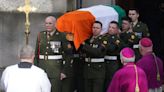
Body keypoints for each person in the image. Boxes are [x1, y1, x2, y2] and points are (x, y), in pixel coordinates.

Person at [34, 16, 71, 92]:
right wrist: (36, 69)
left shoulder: (62, 36)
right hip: (42, 68)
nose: (47, 25)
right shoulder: (40, 35)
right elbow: (36, 54)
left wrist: (64, 71)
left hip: (56, 70)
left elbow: (69, 54)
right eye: (46, 23)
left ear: (55, 24)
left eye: (50, 23)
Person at [81, 21, 106, 92]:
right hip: (87, 70)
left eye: (97, 28)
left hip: (98, 71)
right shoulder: (88, 39)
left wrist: (84, 45)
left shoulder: (104, 40)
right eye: (94, 27)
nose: (95, 29)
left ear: (101, 29)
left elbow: (97, 52)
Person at [103, 21, 125, 90]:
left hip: (112, 64)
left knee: (110, 81)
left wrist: (104, 45)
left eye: (113, 28)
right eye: (109, 27)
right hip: (104, 62)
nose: (110, 29)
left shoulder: (117, 39)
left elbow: (111, 49)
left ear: (117, 30)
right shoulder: (104, 37)